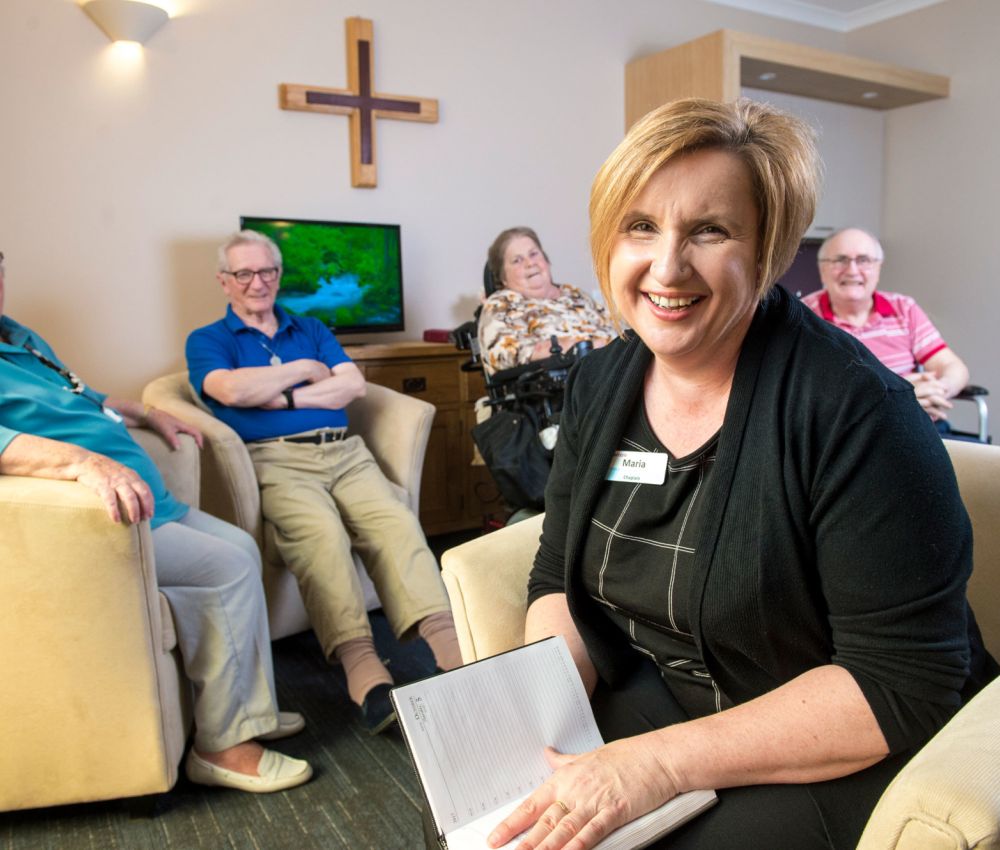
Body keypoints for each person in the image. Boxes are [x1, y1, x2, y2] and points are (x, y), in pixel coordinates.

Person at [484, 100, 996, 850]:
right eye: (640, 226)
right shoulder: (600, 382)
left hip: (826, 742)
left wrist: (652, 766)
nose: (666, 267)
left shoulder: (859, 412)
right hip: (665, 697)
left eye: (710, 230)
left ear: (768, 247)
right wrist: (530, 728)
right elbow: (558, 575)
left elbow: (897, 683)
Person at [0, 250, 312, 794]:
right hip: (94, 520)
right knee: (226, 568)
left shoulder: (16, 336)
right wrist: (83, 463)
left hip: (150, 500)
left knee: (241, 544)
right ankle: (223, 747)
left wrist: (145, 412)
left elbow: (82, 397)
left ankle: (251, 713)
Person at [185, 230, 462, 736]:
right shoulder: (209, 340)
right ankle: (366, 676)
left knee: (395, 524)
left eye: (266, 271)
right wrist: (306, 371)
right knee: (321, 538)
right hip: (276, 462)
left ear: (279, 274)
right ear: (225, 281)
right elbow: (229, 388)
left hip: (345, 452)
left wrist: (283, 398)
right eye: (244, 274)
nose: (257, 283)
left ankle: (453, 655)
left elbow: (352, 384)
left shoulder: (308, 325)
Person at [802, 227, 971, 431]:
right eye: (840, 260)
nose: (853, 270)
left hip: (920, 425)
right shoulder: (804, 317)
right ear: (822, 269)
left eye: (864, 260)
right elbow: (809, 393)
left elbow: (953, 367)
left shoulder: (904, 308)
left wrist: (937, 390)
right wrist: (902, 394)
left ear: (878, 268)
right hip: (850, 433)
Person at [477, 227, 615, 375]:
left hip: (615, 369)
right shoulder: (500, 305)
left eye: (534, 254)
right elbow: (506, 354)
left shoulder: (574, 294)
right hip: (566, 384)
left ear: (546, 260)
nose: (530, 263)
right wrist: (583, 347)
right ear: (503, 277)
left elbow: (616, 329)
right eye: (517, 260)